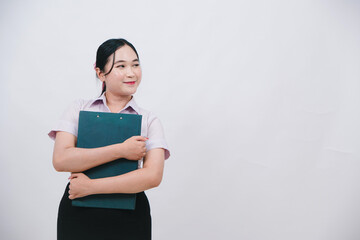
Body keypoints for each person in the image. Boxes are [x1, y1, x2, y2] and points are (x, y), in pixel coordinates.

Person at [48, 38, 170, 240]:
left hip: (130, 216)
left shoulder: (149, 120)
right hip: (79, 214)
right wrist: (121, 150)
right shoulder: (79, 109)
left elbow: (152, 176)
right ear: (100, 73)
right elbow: (61, 160)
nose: (131, 73)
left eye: (135, 64)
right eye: (121, 66)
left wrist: (92, 187)